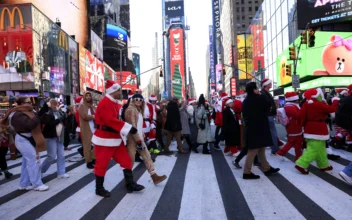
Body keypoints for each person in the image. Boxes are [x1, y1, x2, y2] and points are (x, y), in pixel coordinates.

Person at [92, 80, 144, 197]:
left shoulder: (113, 103)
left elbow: (116, 120)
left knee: (126, 160)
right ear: (113, 91)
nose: (121, 92)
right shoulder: (105, 103)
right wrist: (129, 128)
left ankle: (130, 184)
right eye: (119, 90)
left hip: (115, 138)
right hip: (104, 139)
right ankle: (99, 188)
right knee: (102, 164)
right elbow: (110, 120)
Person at [1, 97, 48, 191]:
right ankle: (37, 184)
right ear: (21, 104)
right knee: (33, 160)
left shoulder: (27, 112)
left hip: (27, 138)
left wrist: (41, 115)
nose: (30, 103)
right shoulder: (17, 114)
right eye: (28, 102)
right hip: (22, 139)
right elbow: (28, 126)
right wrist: (39, 116)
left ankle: (24, 183)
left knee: (27, 162)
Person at [124, 94, 167, 184]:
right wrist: (138, 140)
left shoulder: (138, 110)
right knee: (130, 161)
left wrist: (142, 134)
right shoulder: (131, 110)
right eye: (136, 99)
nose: (139, 101)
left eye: (141, 99)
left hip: (139, 138)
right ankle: (128, 181)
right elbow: (132, 127)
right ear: (132, 100)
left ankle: (154, 176)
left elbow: (138, 125)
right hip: (132, 139)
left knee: (147, 157)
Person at [242, 82, 280, 179]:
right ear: (253, 90)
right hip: (257, 128)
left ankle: (267, 168)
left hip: (253, 128)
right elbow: (268, 104)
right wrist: (260, 95)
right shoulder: (257, 98)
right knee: (253, 151)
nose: (258, 90)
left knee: (261, 149)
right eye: (256, 89)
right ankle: (247, 172)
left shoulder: (246, 100)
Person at [295, 88, 338, 174]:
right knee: (314, 149)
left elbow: (299, 115)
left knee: (321, 148)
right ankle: (301, 164)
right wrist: (335, 100)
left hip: (309, 128)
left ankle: (324, 165)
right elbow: (332, 109)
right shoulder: (319, 104)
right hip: (318, 129)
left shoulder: (306, 104)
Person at [41, 99, 69, 179]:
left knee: (61, 155)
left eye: (55, 104)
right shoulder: (46, 113)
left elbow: (64, 124)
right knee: (52, 156)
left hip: (59, 136)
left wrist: (65, 116)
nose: (54, 105)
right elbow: (49, 124)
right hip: (50, 136)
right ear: (49, 104)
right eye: (52, 104)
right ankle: (40, 170)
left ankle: (61, 172)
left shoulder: (59, 112)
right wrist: (60, 118)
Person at [276, 92, 303, 161]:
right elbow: (298, 116)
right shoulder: (291, 107)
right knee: (292, 142)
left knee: (297, 142)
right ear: (294, 99)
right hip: (294, 127)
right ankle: (281, 152)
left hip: (294, 127)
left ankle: (298, 157)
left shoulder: (290, 106)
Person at [261, 78, 279, 154]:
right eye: (270, 83)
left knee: (270, 132)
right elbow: (266, 104)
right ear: (266, 85)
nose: (271, 84)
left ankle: (273, 147)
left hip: (269, 115)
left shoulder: (266, 93)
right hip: (268, 115)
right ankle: (274, 148)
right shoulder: (264, 94)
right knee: (272, 132)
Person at [79, 92, 96, 169]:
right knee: (87, 146)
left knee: (97, 145)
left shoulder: (91, 106)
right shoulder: (82, 106)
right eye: (87, 96)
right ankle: (88, 161)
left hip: (94, 128)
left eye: (90, 96)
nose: (88, 97)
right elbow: (84, 116)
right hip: (86, 128)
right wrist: (93, 116)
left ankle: (93, 158)